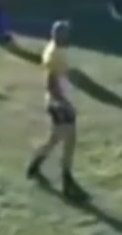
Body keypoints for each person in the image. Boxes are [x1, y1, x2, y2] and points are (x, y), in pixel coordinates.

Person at [27, 21, 86, 200]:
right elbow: (51, 83)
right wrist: (63, 104)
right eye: (66, 33)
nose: (69, 36)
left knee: (55, 139)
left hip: (56, 102)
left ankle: (35, 165)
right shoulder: (54, 55)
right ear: (60, 36)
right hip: (58, 103)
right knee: (69, 139)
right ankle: (67, 180)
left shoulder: (54, 49)